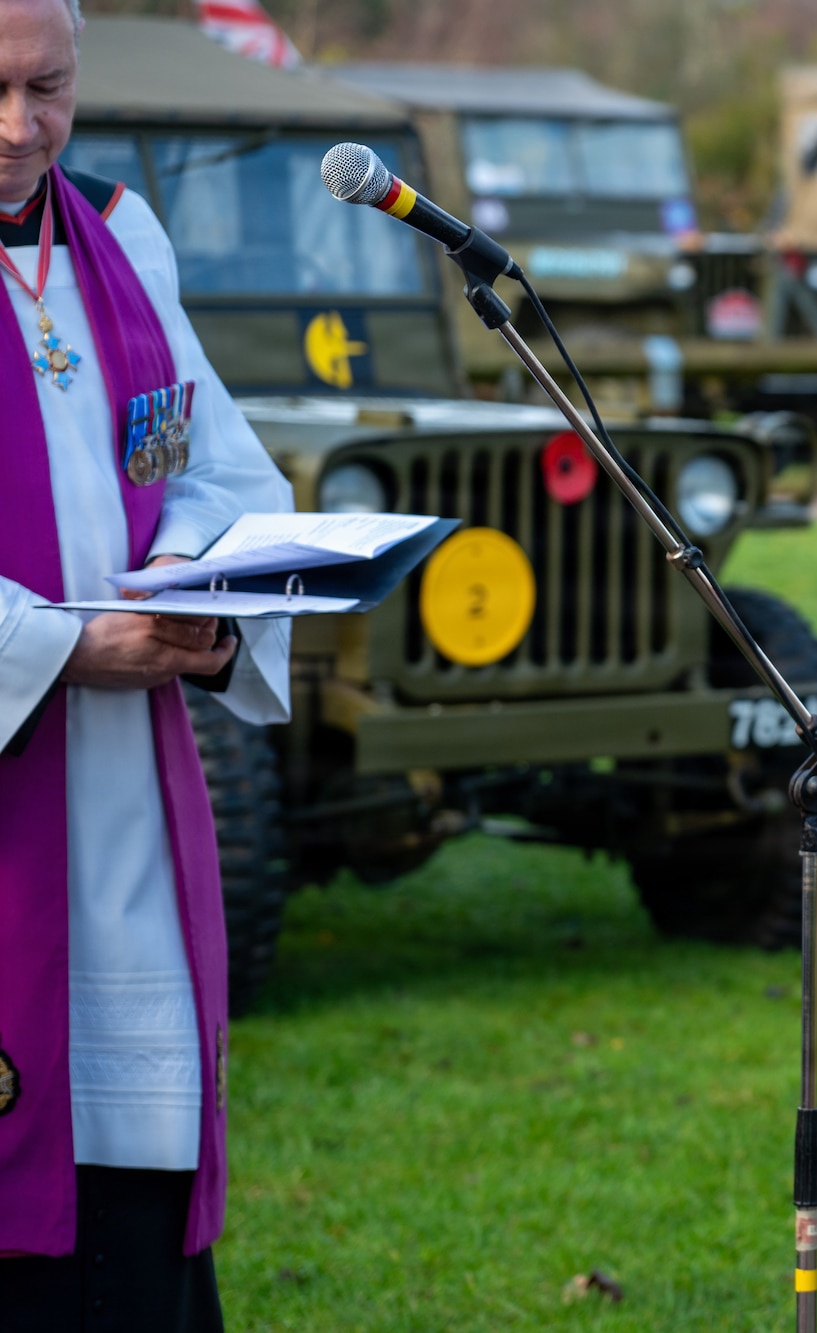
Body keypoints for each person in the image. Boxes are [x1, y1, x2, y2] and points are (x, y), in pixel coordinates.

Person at [0, 0, 293, 1327]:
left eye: (48, 87)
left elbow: (191, 465)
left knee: (126, 1208)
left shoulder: (116, 234)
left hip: (124, 816)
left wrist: (203, 596)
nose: (21, 128)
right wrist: (58, 648)